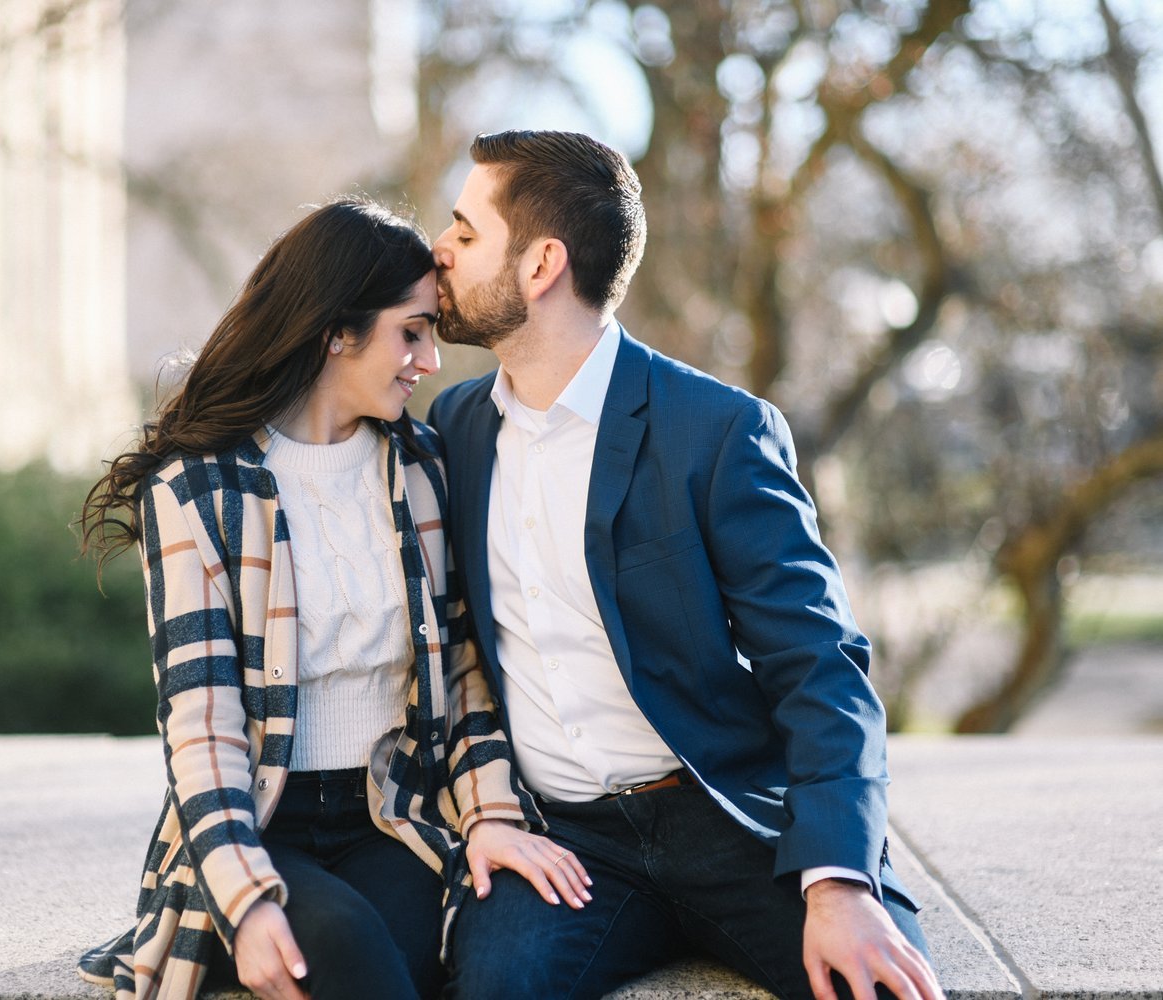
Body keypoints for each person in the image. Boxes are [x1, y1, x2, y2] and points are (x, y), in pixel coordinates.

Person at [424, 130, 945, 1000]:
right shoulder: (455, 430)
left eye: (465, 231)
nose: (438, 249)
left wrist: (841, 881)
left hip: (729, 819)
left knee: (880, 989)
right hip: (566, 842)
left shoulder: (717, 431)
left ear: (542, 263)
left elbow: (818, 666)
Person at [74, 198, 588, 1000]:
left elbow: (459, 672)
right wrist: (245, 906)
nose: (428, 359)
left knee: (437, 953)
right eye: (410, 332)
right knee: (343, 951)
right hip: (260, 820)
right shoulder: (199, 490)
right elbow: (201, 724)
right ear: (335, 331)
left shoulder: (420, 467)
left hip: (393, 813)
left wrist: (490, 815)